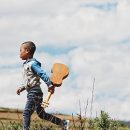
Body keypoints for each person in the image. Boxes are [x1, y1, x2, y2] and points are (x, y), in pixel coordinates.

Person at [16, 41, 69, 130]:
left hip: (34, 93)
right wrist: (21, 88)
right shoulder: (26, 65)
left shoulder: (32, 64)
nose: (19, 52)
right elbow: (28, 81)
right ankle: (62, 123)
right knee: (41, 114)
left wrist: (49, 85)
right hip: (34, 92)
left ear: (27, 51)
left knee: (26, 113)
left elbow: (42, 73)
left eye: (20, 50)